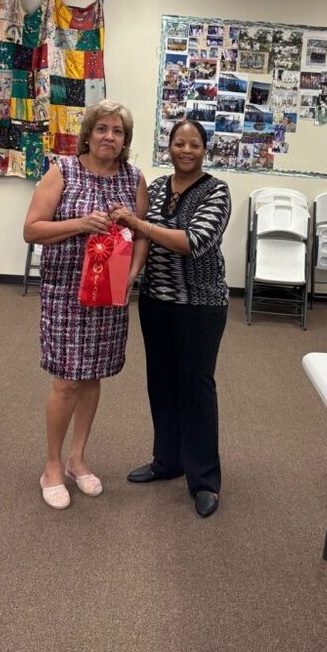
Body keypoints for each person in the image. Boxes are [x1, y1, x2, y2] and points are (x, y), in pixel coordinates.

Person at [23, 100, 148, 510]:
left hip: (110, 292)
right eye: (103, 129)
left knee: (94, 375)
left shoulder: (133, 178)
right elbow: (32, 230)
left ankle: (79, 458)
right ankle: (52, 465)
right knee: (67, 379)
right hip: (66, 291)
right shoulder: (63, 171)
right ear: (89, 133)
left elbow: (142, 234)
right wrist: (80, 224)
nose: (109, 137)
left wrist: (131, 274)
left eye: (118, 131)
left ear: (125, 140)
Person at [110, 119, 231, 518]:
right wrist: (126, 273)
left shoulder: (217, 191)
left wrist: (139, 222)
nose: (186, 150)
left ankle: (204, 479)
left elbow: (193, 243)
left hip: (200, 306)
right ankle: (167, 461)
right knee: (161, 383)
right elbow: (140, 237)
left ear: (204, 149)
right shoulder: (157, 186)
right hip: (157, 302)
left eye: (194, 144)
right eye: (179, 143)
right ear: (170, 146)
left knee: (196, 387)